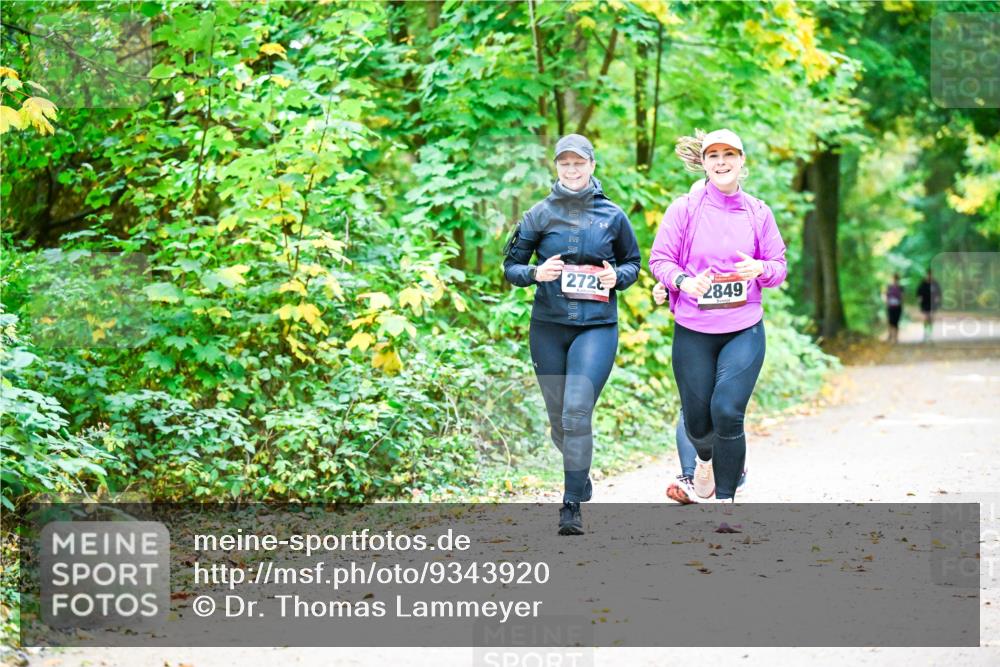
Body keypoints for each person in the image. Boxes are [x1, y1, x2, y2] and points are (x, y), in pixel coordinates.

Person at [503, 134, 641, 534]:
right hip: (548, 327)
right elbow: (511, 268)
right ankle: (579, 473)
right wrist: (535, 273)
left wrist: (618, 276)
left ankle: (570, 506)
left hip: (597, 328)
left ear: (591, 165)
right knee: (559, 421)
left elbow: (632, 263)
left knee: (577, 410)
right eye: (565, 163)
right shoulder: (538, 214)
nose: (572, 169)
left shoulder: (613, 216)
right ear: (556, 168)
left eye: (579, 162)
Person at [649, 129, 787, 503]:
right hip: (693, 328)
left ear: (742, 162)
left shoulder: (758, 212)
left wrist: (758, 269)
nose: (722, 162)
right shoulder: (685, 208)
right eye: (714, 155)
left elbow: (778, 266)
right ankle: (706, 460)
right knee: (698, 420)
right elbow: (660, 260)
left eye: (730, 154)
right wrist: (683, 282)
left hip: (743, 328)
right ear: (704, 162)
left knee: (727, 410)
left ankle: (726, 502)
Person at [653, 282, 747, 503]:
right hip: (694, 329)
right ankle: (691, 475)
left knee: (727, 407)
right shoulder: (687, 245)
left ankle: (733, 472)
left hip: (737, 328)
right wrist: (670, 288)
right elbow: (675, 265)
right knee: (694, 404)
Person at [916, 268, 941, 342]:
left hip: (933, 304)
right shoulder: (923, 283)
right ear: (927, 275)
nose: (929, 276)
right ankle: (926, 332)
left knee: (931, 318)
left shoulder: (935, 283)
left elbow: (939, 292)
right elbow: (918, 292)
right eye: (928, 274)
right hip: (925, 303)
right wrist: (919, 298)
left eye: (931, 274)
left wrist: (938, 298)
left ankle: (930, 333)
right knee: (926, 317)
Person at [886, 273, 903, 344]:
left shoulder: (901, 288)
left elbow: (903, 297)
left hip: (897, 307)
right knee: (890, 321)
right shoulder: (889, 287)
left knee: (896, 322)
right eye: (894, 279)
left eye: (896, 279)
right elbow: (885, 295)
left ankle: (896, 337)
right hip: (890, 306)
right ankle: (890, 336)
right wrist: (887, 301)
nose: (895, 280)